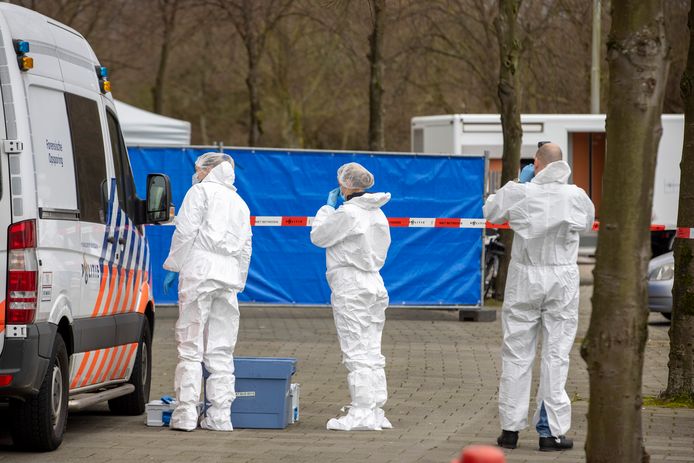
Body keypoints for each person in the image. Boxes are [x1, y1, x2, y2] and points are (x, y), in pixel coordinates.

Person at [483, 143, 594, 451]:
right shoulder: (576, 197)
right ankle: (550, 432)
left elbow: (491, 213)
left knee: (517, 353)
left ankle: (510, 429)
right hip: (562, 278)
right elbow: (586, 222)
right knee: (556, 355)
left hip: (525, 277)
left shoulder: (521, 192)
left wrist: (519, 183)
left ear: (536, 163)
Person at [162, 152, 252, 432]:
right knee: (221, 347)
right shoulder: (239, 202)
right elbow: (246, 247)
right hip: (227, 276)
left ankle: (186, 414)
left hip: (200, 268)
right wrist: (238, 280)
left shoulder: (199, 192)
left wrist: (174, 265)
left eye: (197, 169)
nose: (195, 173)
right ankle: (220, 416)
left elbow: (185, 231)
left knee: (190, 344)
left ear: (207, 170)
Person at [310, 162, 393, 431]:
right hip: (374, 283)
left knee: (355, 349)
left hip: (351, 284)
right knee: (371, 348)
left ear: (346, 185)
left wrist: (326, 208)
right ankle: (375, 408)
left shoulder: (348, 213)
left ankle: (360, 412)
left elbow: (319, 236)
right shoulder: (378, 214)